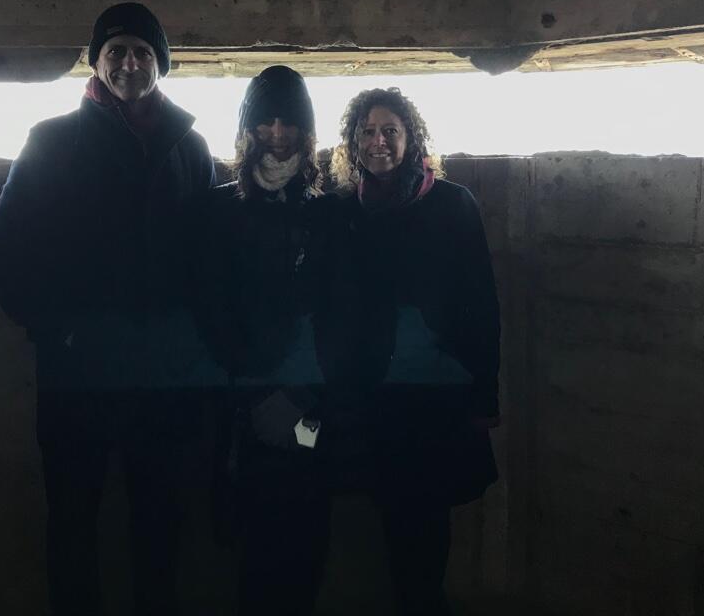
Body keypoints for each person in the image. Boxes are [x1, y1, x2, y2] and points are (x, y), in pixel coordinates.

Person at [0, 2, 217, 616]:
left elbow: (210, 261)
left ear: (161, 64)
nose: (129, 63)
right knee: (73, 521)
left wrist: (187, 347)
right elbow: (2, 254)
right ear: (96, 63)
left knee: (160, 520)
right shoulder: (52, 141)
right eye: (116, 52)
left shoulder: (191, 148)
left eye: (142, 52)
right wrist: (59, 331)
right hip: (77, 377)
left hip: (161, 379)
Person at [324, 87, 501, 616]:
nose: (378, 141)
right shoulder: (343, 211)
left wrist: (483, 396)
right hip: (373, 394)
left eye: (390, 131)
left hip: (436, 392)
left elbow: (481, 304)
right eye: (367, 132)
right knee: (389, 509)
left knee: (426, 514)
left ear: (411, 138)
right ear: (353, 142)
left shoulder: (451, 203)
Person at [201, 65, 334, 616]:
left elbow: (342, 311)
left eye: (290, 121)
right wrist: (256, 397)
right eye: (266, 120)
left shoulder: (330, 209)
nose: (278, 132)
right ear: (247, 128)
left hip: (311, 412)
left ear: (307, 130)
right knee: (251, 536)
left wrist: (302, 399)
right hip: (244, 412)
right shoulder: (218, 210)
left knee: (307, 523)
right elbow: (211, 309)